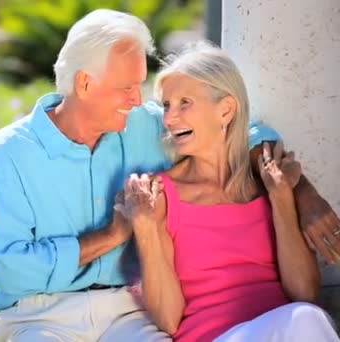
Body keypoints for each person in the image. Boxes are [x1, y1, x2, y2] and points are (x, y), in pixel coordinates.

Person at [0, 9, 340, 341]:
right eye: (127, 87)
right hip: (40, 314)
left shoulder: (142, 125)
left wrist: (301, 194)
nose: (140, 101)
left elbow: (236, 130)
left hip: (125, 313)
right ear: (85, 85)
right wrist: (113, 235)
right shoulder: (11, 153)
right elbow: (12, 270)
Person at [117, 42, 339, 341]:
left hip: (287, 331)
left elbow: (304, 292)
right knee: (306, 319)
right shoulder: (160, 195)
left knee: (306, 316)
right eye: (167, 105)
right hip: (214, 336)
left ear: (225, 110)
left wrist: (282, 199)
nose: (169, 119)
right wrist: (145, 226)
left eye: (185, 103)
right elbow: (169, 320)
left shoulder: (267, 185)